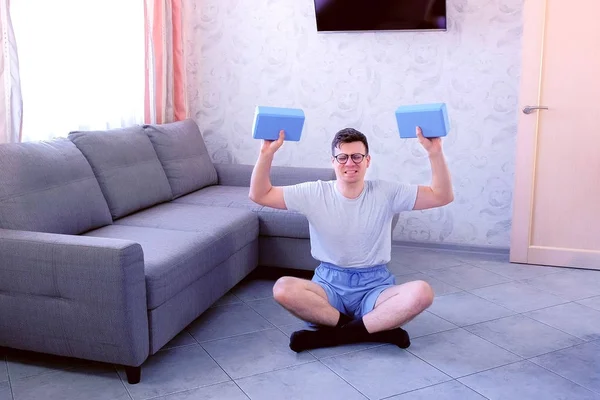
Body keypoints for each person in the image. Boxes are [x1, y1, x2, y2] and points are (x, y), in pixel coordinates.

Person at [248, 126, 453, 352]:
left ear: (367, 161)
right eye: (342, 157)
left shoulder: (387, 192)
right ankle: (374, 329)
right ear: (333, 161)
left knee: (422, 292)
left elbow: (441, 196)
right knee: (283, 288)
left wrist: (434, 152)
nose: (350, 163)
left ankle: (330, 337)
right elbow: (260, 195)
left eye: (357, 156)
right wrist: (266, 153)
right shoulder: (314, 193)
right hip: (328, 286)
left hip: (375, 287)